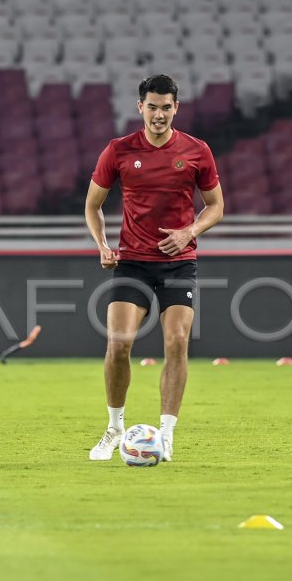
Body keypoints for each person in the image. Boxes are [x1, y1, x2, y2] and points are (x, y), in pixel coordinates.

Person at [84, 74, 225, 462]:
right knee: (118, 343)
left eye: (166, 107)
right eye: (152, 107)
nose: (159, 114)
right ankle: (114, 428)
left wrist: (189, 231)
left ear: (176, 108)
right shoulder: (119, 150)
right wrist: (102, 245)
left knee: (177, 342)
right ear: (139, 107)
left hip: (179, 264)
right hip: (132, 262)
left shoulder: (197, 151)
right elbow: (92, 205)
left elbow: (216, 206)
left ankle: (165, 434)